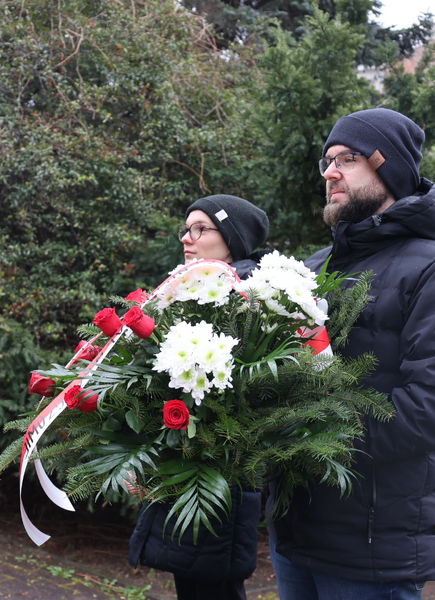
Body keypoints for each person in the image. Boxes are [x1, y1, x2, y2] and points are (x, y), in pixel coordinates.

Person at [266, 108, 435, 599]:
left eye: (348, 157)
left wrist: (312, 437)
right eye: (326, 159)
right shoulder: (310, 270)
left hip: (370, 548)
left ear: (389, 169)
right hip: (293, 535)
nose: (330, 171)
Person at [128, 194, 271, 600]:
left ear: (232, 238)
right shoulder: (190, 290)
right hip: (190, 476)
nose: (187, 240)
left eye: (200, 229)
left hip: (214, 481)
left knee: (213, 587)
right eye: (185, 230)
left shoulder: (247, 299)